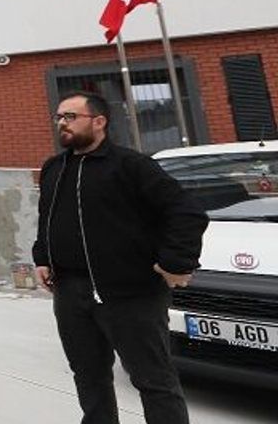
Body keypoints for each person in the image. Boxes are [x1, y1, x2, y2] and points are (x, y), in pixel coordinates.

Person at [32, 91, 207, 424]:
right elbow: (47, 217)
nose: (62, 124)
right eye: (59, 117)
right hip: (70, 291)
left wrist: (176, 262)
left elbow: (186, 212)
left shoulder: (132, 166)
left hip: (131, 293)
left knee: (153, 379)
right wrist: (42, 257)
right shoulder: (54, 168)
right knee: (88, 374)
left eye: (71, 117)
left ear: (99, 121)